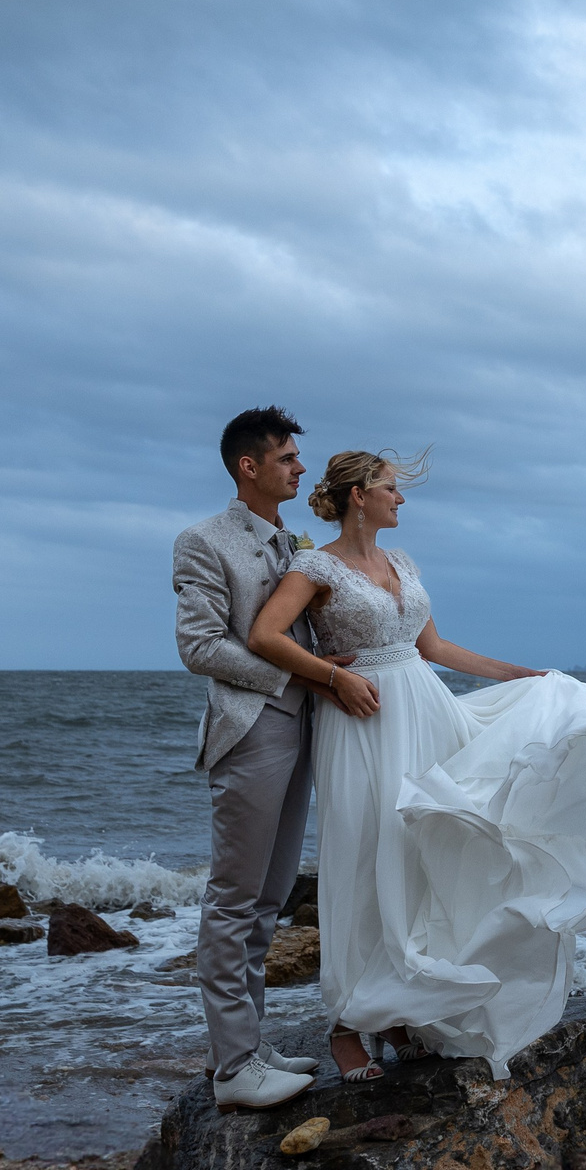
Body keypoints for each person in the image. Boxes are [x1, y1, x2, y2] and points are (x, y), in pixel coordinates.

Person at [243, 448, 586, 1080]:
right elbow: (265, 637)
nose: (402, 499)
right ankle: (347, 1024)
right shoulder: (316, 565)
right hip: (363, 716)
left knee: (424, 856)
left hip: (426, 709)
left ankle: (400, 1011)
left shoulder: (402, 562)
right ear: (360, 495)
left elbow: (435, 647)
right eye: (392, 488)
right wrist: (335, 676)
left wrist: (523, 674)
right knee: (367, 853)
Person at [172, 406, 359, 1110]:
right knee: (233, 898)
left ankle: (249, 1044)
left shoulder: (292, 541)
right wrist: (295, 673)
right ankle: (232, 1069)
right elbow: (199, 647)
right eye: (287, 458)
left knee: (270, 899)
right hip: (251, 728)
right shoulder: (202, 541)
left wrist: (323, 668)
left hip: (304, 727)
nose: (300, 468)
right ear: (249, 467)